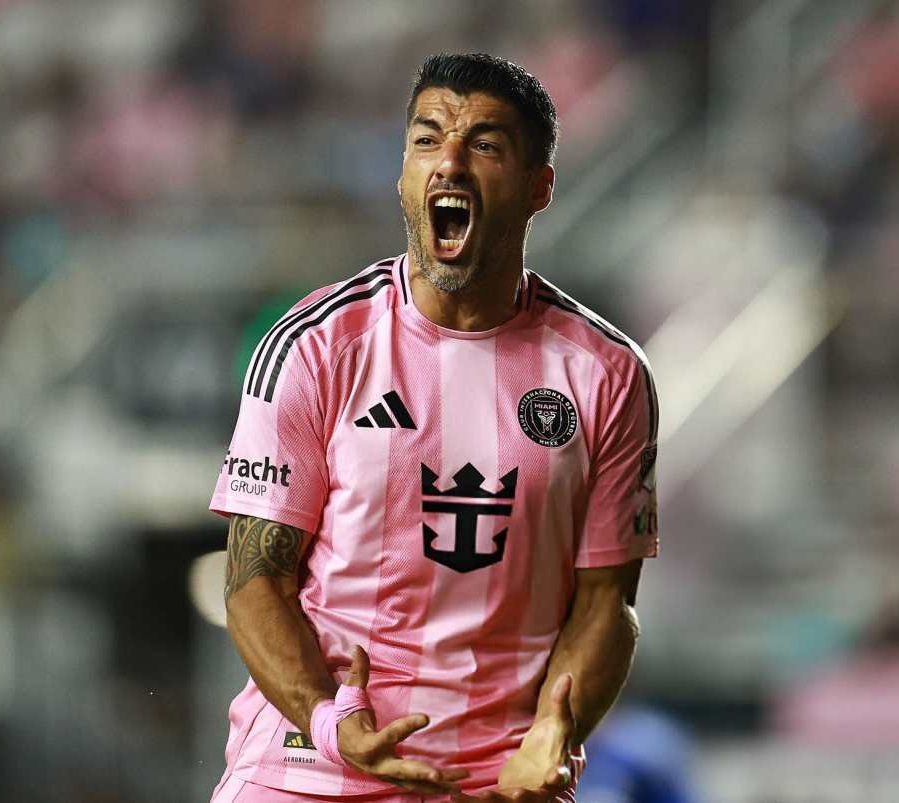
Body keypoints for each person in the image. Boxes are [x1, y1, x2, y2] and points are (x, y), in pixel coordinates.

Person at [209, 53, 659, 803]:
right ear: (403, 177)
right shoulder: (316, 346)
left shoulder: (605, 373)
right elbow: (255, 583)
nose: (449, 161)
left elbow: (606, 602)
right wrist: (328, 720)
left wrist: (556, 731)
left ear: (539, 187)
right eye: (426, 140)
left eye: (484, 144)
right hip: (310, 764)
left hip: (500, 781)